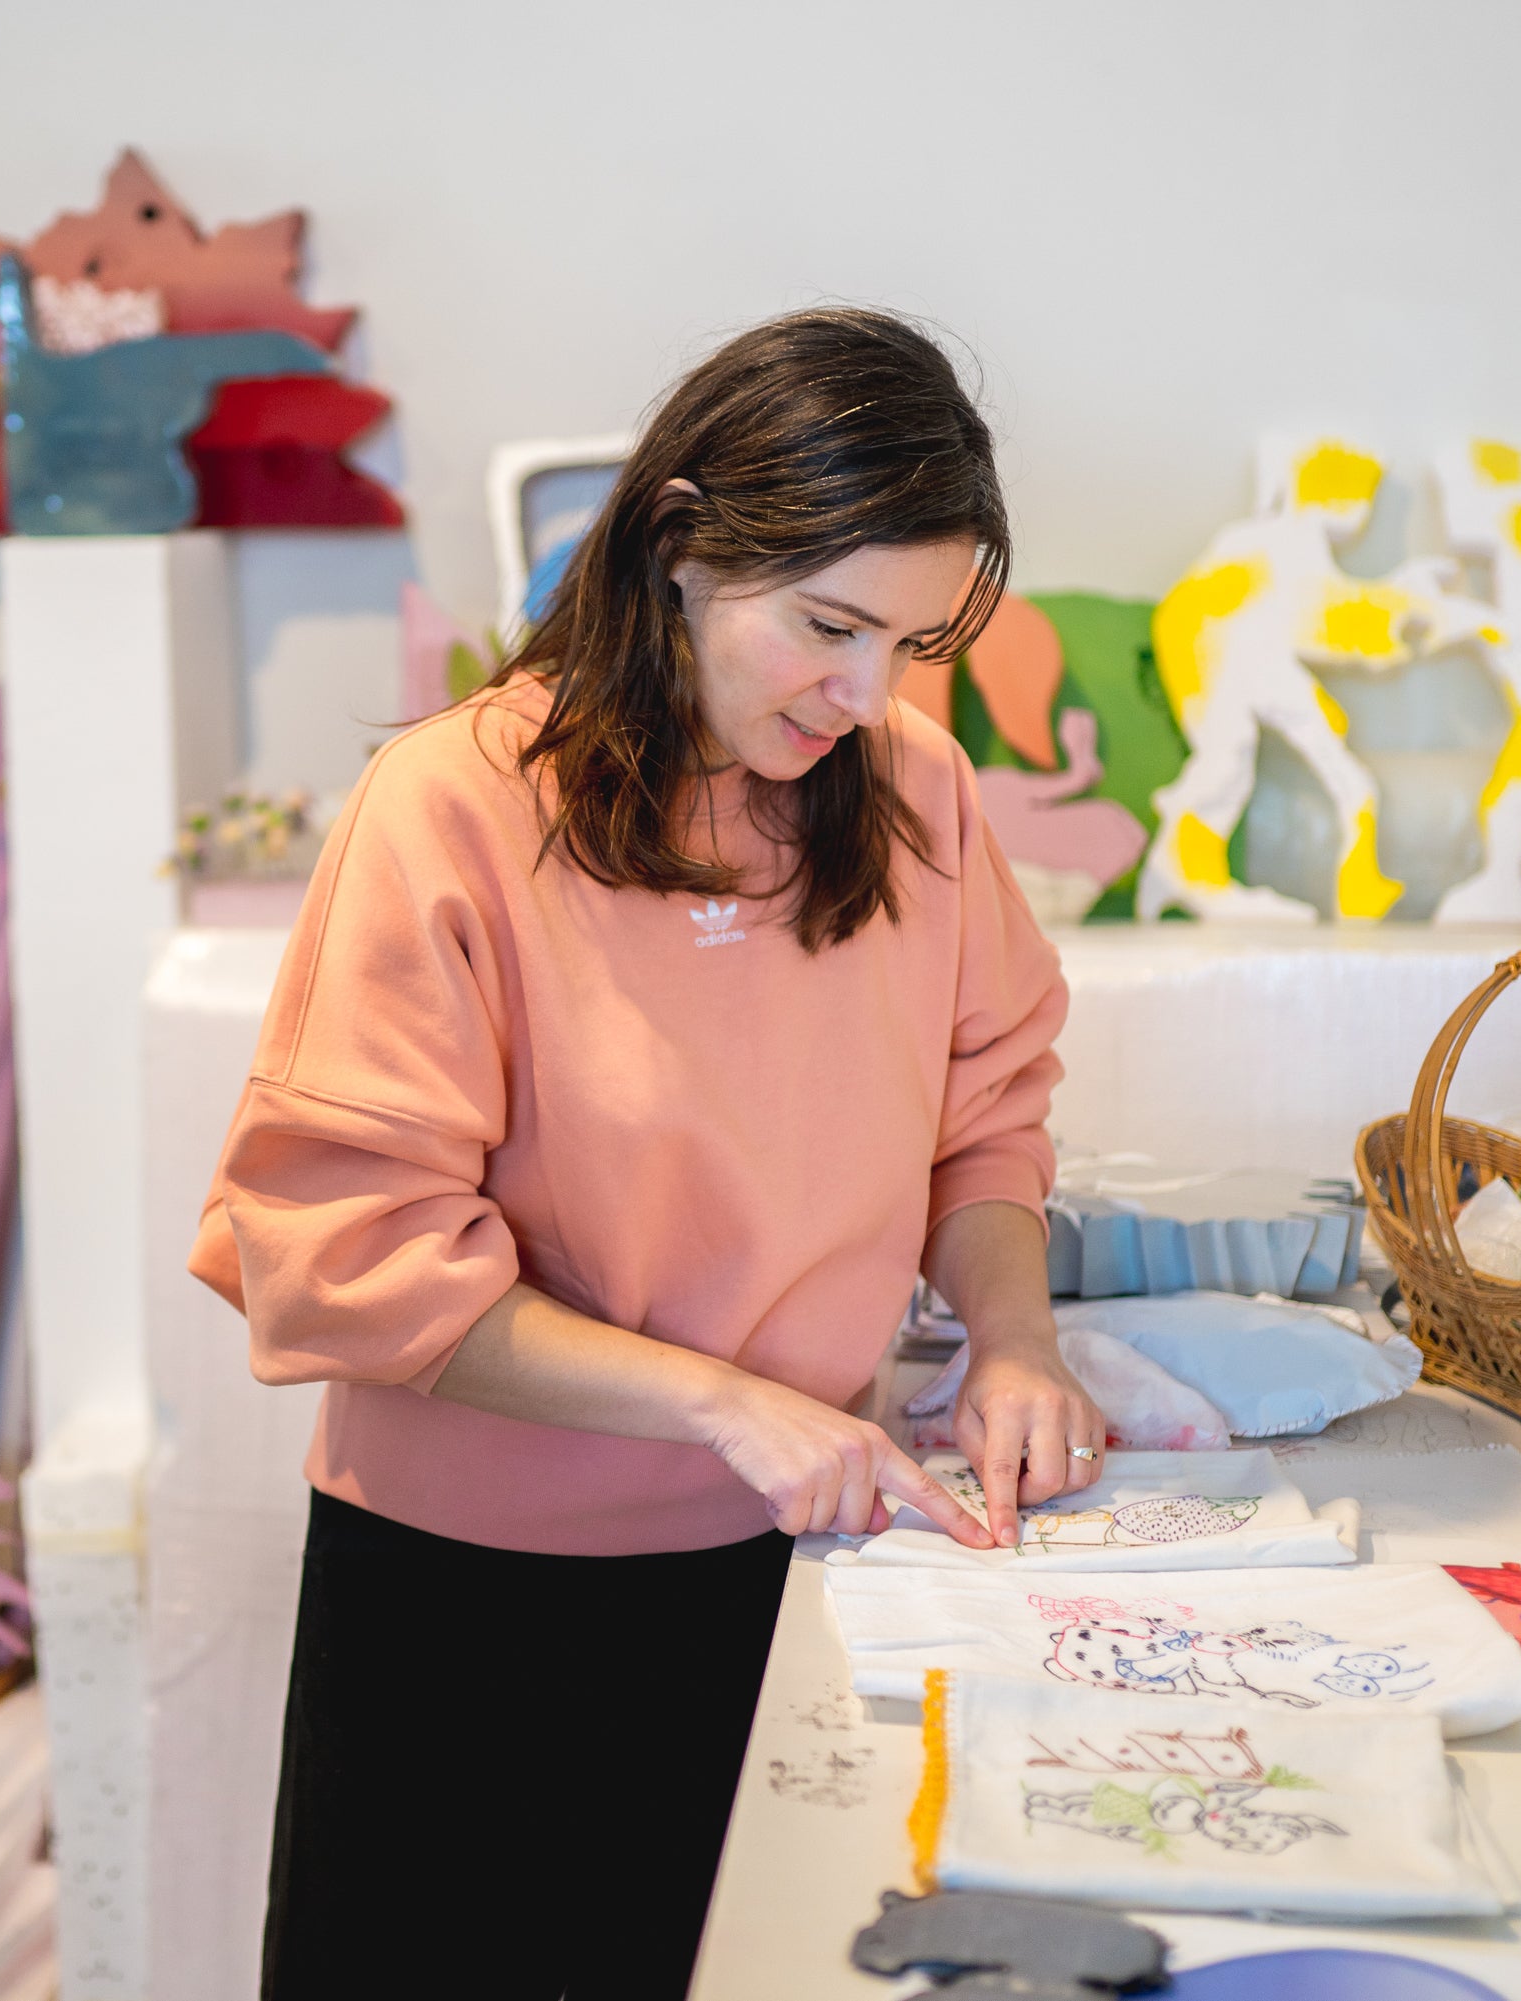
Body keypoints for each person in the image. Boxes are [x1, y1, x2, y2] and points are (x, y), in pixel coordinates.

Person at [194, 308, 1100, 1998]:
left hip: (798, 1574)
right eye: (826, 625)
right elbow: (354, 1254)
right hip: (465, 1607)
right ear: (680, 543)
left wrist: (1016, 1340)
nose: (864, 690)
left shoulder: (916, 792)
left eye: (906, 644)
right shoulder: (451, 806)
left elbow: (989, 1115)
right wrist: (720, 1403)